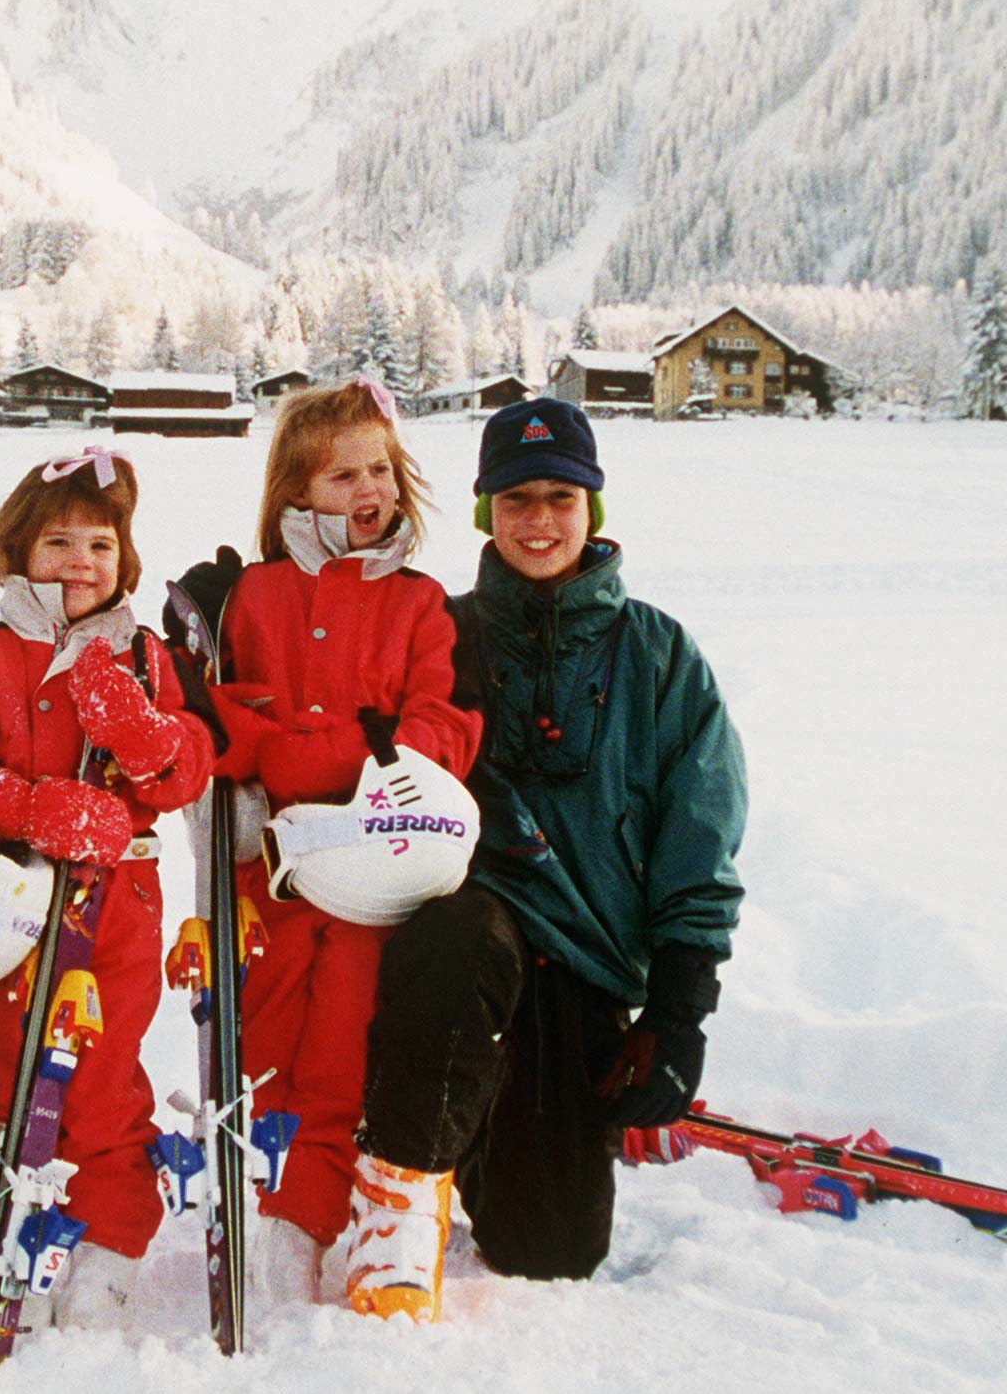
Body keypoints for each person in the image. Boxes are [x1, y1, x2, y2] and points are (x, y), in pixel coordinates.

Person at [342, 397, 746, 1323]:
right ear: (486, 511)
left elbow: (701, 832)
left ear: (591, 508)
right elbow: (331, 707)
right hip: (454, 957)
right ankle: (399, 1187)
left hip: (585, 972)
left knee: (549, 1247)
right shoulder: (439, 632)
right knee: (460, 933)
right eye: (515, 497)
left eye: (560, 495)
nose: (538, 518)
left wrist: (679, 1011)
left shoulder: (661, 654)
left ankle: (495, 1131)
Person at [171, 377, 483, 1304]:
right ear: (294, 490)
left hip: (371, 864)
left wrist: (303, 755)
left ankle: (321, 1209)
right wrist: (330, 740)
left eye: (379, 468)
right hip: (266, 873)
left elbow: (442, 734)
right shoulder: (251, 599)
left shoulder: (424, 604)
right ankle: (266, 1202)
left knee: (347, 1036)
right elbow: (218, 728)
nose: (367, 488)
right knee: (262, 1033)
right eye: (341, 472)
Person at [0, 447, 219, 1327]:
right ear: (17, 549)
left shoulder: (144, 654)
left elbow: (193, 761)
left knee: (102, 1072)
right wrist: (18, 801)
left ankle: (110, 1241)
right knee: (8, 1067)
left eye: (101, 544)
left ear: (126, 561)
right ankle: (18, 1225)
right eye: (58, 540)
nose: (80, 560)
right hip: (11, 902)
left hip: (119, 901)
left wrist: (150, 741)